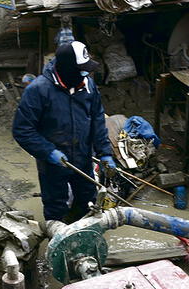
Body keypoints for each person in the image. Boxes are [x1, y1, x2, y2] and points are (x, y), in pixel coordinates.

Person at [12, 41, 116, 223]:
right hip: (53, 161)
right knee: (56, 206)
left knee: (89, 201)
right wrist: (48, 152)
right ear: (67, 69)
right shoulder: (38, 90)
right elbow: (22, 130)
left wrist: (105, 153)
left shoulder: (89, 86)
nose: (86, 74)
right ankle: (58, 238)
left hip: (83, 156)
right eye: (81, 70)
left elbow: (97, 120)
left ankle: (85, 236)